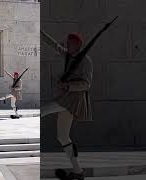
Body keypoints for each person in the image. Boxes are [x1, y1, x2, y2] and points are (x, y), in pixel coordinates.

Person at [41, 30, 93, 180]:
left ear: (77, 45)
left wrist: (68, 86)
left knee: (42, 111)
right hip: (66, 98)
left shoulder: (86, 61)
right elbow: (55, 46)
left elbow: (86, 84)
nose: (66, 45)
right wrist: (41, 34)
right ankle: (78, 171)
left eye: (69, 43)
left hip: (73, 100)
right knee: (63, 136)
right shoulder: (69, 56)